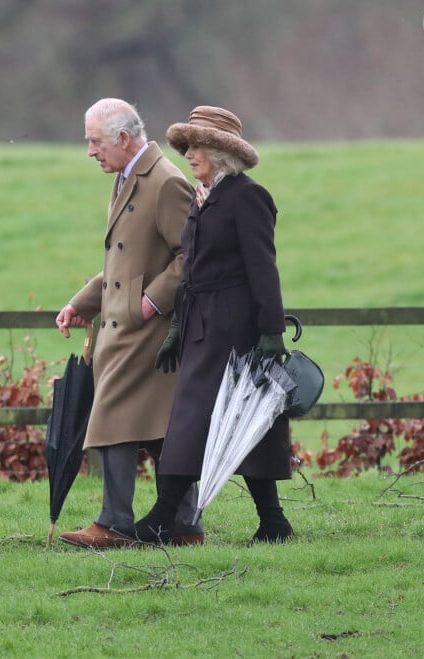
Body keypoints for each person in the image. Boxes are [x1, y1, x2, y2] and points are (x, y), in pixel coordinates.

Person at [130, 106, 295, 546]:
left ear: (222, 152)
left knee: (241, 422)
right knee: (193, 421)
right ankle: (172, 517)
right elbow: (191, 272)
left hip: (238, 332)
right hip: (202, 329)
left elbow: (264, 268)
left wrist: (271, 331)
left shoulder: (247, 196)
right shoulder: (202, 199)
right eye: (186, 146)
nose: (189, 153)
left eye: (197, 146)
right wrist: (175, 331)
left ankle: (268, 521)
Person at [55, 98, 204, 548]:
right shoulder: (126, 177)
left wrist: (151, 303)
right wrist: (84, 303)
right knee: (158, 428)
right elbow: (121, 262)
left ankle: (114, 523)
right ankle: (184, 526)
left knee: (113, 416)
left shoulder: (165, 182)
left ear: (123, 138)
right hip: (121, 326)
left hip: (148, 332)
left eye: (95, 141)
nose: (90, 152)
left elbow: (190, 256)